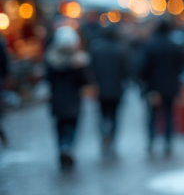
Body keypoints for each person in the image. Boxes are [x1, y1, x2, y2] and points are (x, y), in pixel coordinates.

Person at [45, 26, 90, 169]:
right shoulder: (78, 61)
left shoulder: (51, 59)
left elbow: (47, 79)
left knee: (59, 126)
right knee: (72, 126)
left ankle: (62, 147)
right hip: (72, 100)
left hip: (57, 99)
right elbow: (84, 81)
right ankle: (67, 146)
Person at [139, 20, 184, 155]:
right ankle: (168, 141)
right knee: (169, 114)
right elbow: (181, 66)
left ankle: (151, 140)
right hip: (170, 86)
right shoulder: (175, 46)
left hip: (153, 87)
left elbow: (143, 68)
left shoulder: (150, 46)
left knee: (152, 115)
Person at [89, 26, 128, 154]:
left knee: (102, 115)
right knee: (114, 116)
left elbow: (91, 70)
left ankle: (103, 135)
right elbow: (125, 72)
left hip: (100, 89)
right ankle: (112, 139)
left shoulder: (96, 50)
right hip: (116, 89)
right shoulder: (119, 50)